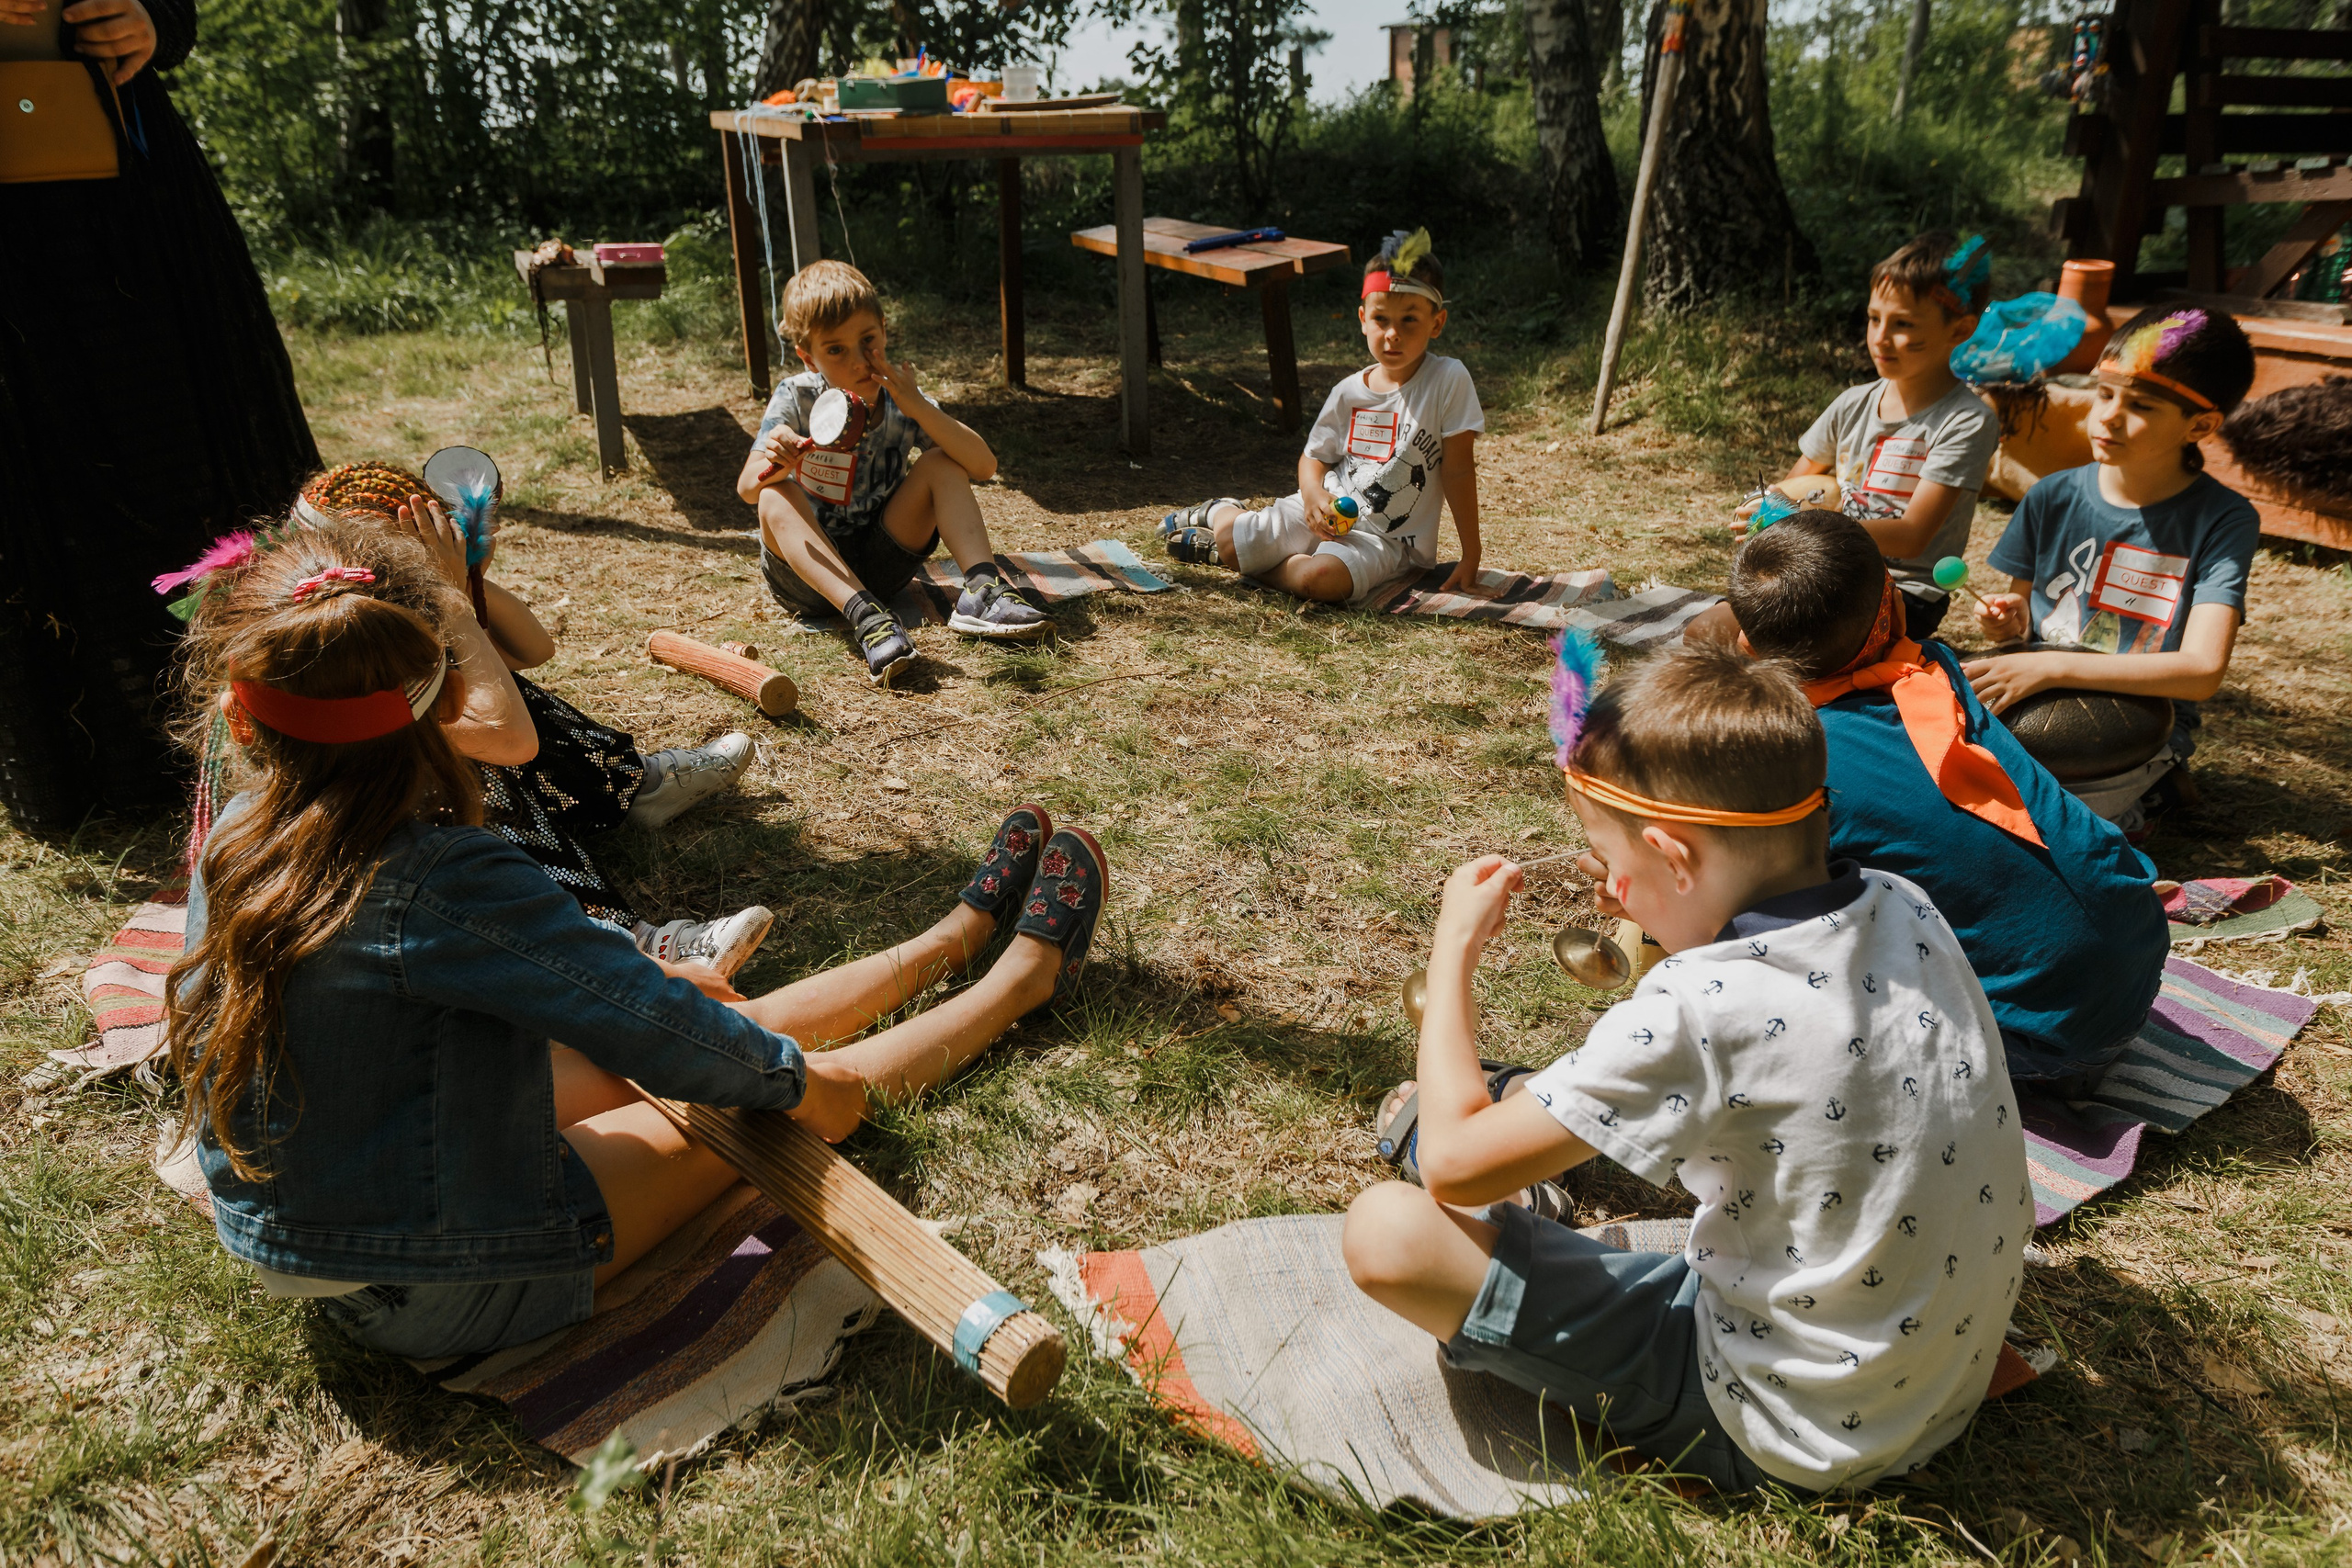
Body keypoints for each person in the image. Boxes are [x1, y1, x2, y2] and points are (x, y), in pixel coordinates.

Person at [165, 525, 1110, 1359]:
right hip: (432, 1278)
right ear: (450, 701)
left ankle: (955, 935)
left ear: (246, 716)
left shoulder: (241, 831)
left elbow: (607, 997)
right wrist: (797, 1085)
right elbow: (649, 1028)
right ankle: (1022, 978)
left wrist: (677, 1001)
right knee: (773, 1096)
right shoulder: (443, 874)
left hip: (324, 1209)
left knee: (706, 1025)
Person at [1343, 644, 2030, 1494]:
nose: (1607, 889)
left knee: (1388, 1230)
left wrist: (1453, 948)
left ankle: (1518, 1188)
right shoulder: (1905, 903)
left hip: (1785, 1423)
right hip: (1931, 1379)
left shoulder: (1699, 1009)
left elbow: (1453, 1165)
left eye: (1612, 865)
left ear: (1675, 858)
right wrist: (1658, 896)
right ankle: (1526, 1160)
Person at [160, 463, 772, 975]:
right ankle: (622, 943)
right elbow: (510, 739)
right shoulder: (337, 663)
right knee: (462, 762)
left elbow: (531, 650)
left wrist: (468, 581)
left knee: (488, 684)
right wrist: (451, 599)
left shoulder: (327, 620)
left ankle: (632, 787)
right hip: (350, 867)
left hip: (350, 817)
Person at [0, 0, 321, 827]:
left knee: (187, 448)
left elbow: (174, 7)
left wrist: (152, 19)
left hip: (127, 194)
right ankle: (89, 764)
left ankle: (273, 706)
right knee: (31, 479)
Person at [1726, 508, 2166, 1092]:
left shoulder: (1796, 770)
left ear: (1747, 645)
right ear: (1896, 608)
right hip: (2137, 961)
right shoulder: (1939, 668)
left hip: (2041, 1045)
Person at [1966, 308, 2260, 832]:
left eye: (2140, 404)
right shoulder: (2050, 496)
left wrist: (2052, 668)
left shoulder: (2223, 519)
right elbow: (2023, 634)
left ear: (2200, 425)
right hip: (2042, 693)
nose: (2108, 416)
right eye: (2104, 394)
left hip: (2138, 721)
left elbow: (2201, 671)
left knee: (2033, 825)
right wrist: (2009, 623)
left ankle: (2152, 788)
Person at [736, 260, 1047, 688]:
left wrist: (918, 405)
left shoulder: (902, 398)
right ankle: (868, 619)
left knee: (941, 462)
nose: (859, 361)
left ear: (884, 330)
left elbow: (983, 466)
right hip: (808, 580)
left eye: (868, 340)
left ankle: (982, 591)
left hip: (884, 564)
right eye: (836, 350)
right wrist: (778, 461)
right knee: (774, 494)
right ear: (808, 357)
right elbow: (747, 489)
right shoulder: (797, 397)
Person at [1158, 228, 1484, 604]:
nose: (1393, 333)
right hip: (1320, 509)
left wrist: (1471, 554)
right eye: (1381, 319)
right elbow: (1314, 456)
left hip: (1383, 540)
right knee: (1233, 543)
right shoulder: (1348, 391)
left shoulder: (1447, 380)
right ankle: (1221, 514)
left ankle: (1243, 561)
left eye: (1409, 319)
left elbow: (1458, 470)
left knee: (1320, 581)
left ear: (1437, 323)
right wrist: (1313, 495)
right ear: (1363, 319)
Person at [1737, 232, 2000, 642]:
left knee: (1771, 647)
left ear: (1961, 329)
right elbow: (1790, 489)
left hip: (1903, 593)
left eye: (1903, 324)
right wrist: (1763, 510)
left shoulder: (1966, 420)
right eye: (1874, 318)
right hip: (1821, 570)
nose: (1880, 337)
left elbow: (1912, 537)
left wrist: (1802, 520)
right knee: (1708, 631)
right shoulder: (1852, 404)